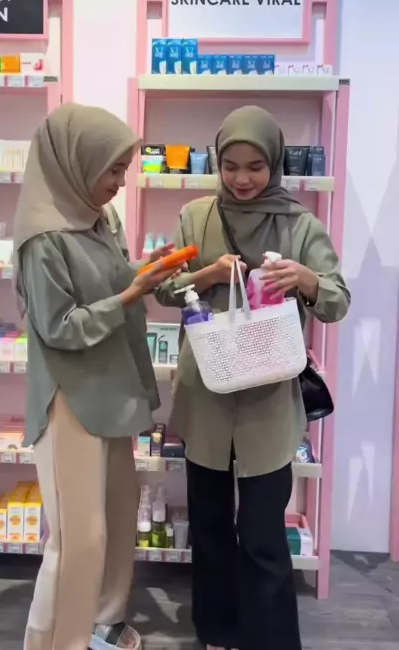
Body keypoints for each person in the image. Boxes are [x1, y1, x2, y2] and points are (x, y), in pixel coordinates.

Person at [155, 105, 351, 650]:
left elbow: (337, 302)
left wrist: (306, 279)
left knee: (264, 535)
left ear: (276, 162)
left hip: (268, 402)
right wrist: (207, 273)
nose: (242, 179)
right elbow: (163, 288)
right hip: (207, 395)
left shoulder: (300, 224)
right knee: (211, 529)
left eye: (256, 166)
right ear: (216, 162)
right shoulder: (196, 217)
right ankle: (217, 631)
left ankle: (270, 639)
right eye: (231, 165)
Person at [13, 103, 178, 650]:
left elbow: (110, 278)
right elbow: (59, 327)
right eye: (112, 169)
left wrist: (146, 271)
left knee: (117, 516)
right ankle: (54, 641)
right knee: (77, 538)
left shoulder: (98, 217)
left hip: (110, 387)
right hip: (70, 397)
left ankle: (102, 623)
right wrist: (129, 295)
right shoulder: (42, 239)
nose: (119, 182)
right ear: (76, 161)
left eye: (123, 169)